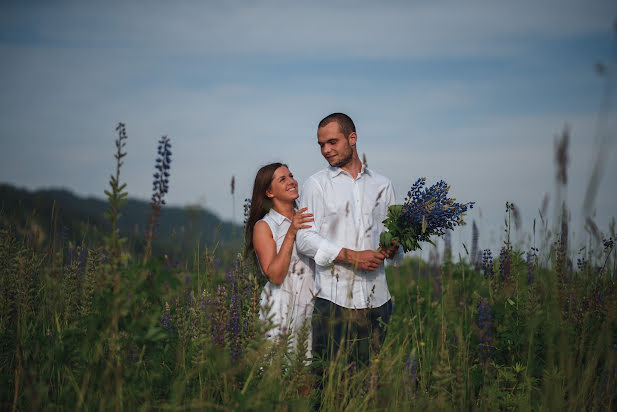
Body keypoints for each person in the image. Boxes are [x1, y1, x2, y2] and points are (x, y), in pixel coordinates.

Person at [296, 113, 400, 368]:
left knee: (368, 384)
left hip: (379, 302)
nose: (325, 150)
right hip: (334, 303)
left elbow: (394, 236)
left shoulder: (383, 185)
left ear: (352, 138)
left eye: (332, 142)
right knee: (327, 387)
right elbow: (304, 238)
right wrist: (352, 256)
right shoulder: (316, 184)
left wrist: (394, 247)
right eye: (321, 144)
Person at [245, 162, 315, 356]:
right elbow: (274, 275)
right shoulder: (265, 226)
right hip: (281, 309)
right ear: (269, 192)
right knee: (284, 376)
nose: (291, 181)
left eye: (291, 176)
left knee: (314, 375)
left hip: (315, 305)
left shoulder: (309, 216)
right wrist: (291, 232)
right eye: (282, 179)